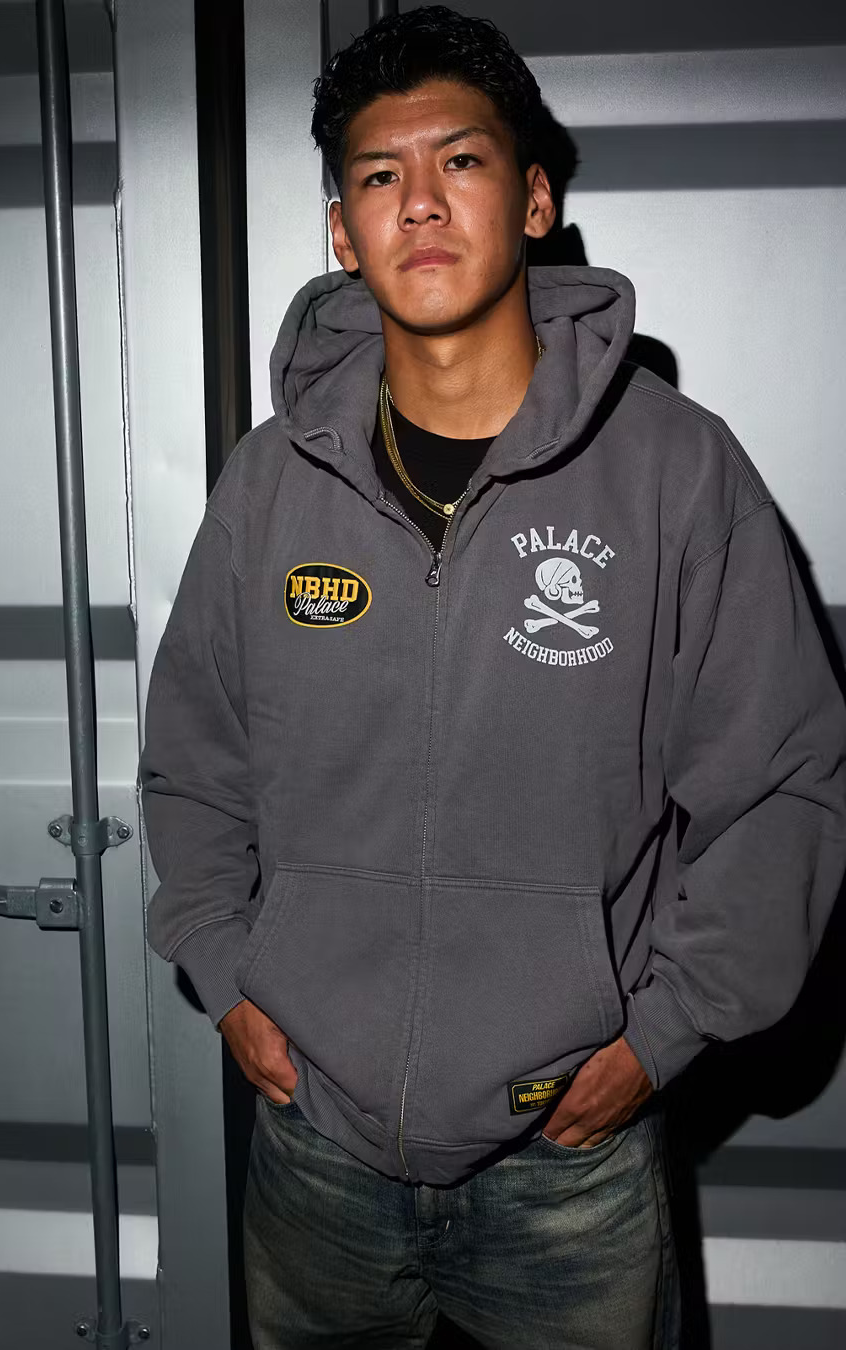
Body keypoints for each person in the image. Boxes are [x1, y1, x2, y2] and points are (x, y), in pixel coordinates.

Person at [139, 7, 846, 1347]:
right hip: (316, 1151)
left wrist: (660, 1038)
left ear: (532, 200)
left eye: (459, 161)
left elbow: (787, 787)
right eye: (379, 174)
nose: (419, 202)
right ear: (342, 231)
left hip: (569, 1166)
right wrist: (230, 976)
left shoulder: (677, 471)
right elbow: (193, 762)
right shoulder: (266, 484)